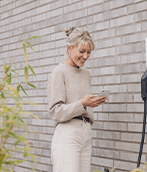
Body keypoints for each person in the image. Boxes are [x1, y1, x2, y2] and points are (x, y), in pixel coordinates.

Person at [47, 27, 107, 172]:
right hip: (68, 133)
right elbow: (55, 111)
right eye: (82, 51)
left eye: (88, 52)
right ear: (69, 48)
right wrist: (82, 104)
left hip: (86, 132)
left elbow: (81, 104)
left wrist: (90, 104)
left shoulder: (86, 74)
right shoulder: (59, 72)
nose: (85, 56)